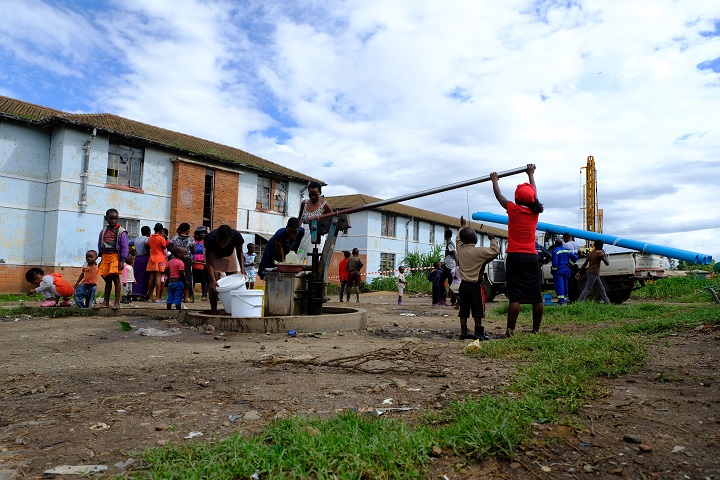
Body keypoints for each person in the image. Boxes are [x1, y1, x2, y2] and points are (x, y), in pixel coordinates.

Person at [490, 164, 544, 337]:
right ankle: (535, 330)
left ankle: (510, 331)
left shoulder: (513, 210)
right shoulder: (535, 213)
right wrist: (531, 175)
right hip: (531, 257)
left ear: (517, 198)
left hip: (514, 256)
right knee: (536, 296)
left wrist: (494, 181)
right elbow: (533, 193)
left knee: (515, 297)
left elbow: (499, 197)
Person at [456, 216, 501, 340]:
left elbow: (458, 239)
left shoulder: (460, 249)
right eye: (475, 234)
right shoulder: (479, 252)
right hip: (475, 286)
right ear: (474, 239)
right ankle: (479, 333)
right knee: (478, 309)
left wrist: (462, 226)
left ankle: (463, 332)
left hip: (463, 285)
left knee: (464, 309)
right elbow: (495, 250)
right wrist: (492, 239)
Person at [205, 225, 246, 314]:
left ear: (230, 238)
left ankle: (234, 309)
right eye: (220, 241)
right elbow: (209, 263)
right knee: (213, 284)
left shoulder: (237, 237)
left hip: (229, 254)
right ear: (217, 237)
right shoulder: (211, 239)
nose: (222, 245)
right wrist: (213, 280)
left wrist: (242, 269)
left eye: (225, 242)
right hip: (214, 255)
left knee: (235, 280)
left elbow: (239, 252)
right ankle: (214, 311)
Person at [95, 208, 129, 310]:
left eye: (116, 219)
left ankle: (117, 303)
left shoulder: (121, 231)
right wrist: (101, 257)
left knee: (116, 279)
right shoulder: (104, 231)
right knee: (108, 280)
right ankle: (105, 302)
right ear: (106, 219)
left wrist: (122, 260)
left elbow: (124, 246)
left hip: (115, 257)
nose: (113, 221)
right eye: (111, 219)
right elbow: (100, 243)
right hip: (106, 256)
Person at [297, 181, 332, 266]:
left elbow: (330, 221)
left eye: (315, 195)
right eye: (310, 194)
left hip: (318, 236)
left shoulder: (325, 205)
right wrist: (297, 230)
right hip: (304, 236)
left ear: (320, 193)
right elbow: (300, 218)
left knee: (315, 261)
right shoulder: (304, 203)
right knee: (301, 258)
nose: (313, 197)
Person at [576, 239, 611, 304]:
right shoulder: (600, 253)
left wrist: (579, 272)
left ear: (594, 245)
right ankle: (579, 302)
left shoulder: (591, 253)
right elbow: (607, 263)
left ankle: (608, 303)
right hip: (594, 273)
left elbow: (585, 264)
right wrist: (605, 255)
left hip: (591, 272)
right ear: (601, 246)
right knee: (587, 288)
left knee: (601, 288)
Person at [170, 223, 196, 302]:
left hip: (175, 260)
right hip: (186, 259)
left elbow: (171, 248)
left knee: (176, 277)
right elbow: (193, 250)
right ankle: (186, 297)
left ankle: (176, 296)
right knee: (187, 278)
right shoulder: (190, 239)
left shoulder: (174, 238)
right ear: (187, 230)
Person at [146, 223, 168, 303]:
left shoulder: (150, 238)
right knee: (158, 277)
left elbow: (149, 248)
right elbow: (164, 250)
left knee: (151, 277)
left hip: (152, 259)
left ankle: (150, 297)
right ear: (161, 230)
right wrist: (166, 256)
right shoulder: (161, 238)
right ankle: (158, 298)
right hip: (160, 258)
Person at [551, 239, 577, 305]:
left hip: (559, 271)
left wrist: (553, 270)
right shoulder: (567, 250)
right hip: (567, 270)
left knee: (559, 285)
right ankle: (565, 298)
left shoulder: (555, 251)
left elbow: (554, 264)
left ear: (555, 244)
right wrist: (570, 263)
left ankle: (561, 300)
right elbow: (575, 257)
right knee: (565, 285)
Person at [563, 233, 582, 301]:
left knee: (570, 282)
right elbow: (580, 254)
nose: (563, 239)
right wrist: (576, 260)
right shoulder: (576, 244)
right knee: (575, 282)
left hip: (569, 265)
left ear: (566, 237)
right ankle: (577, 297)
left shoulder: (566, 244)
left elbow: (565, 255)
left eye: (563, 238)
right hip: (575, 265)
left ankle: (572, 298)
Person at [441, 229, 458, 306]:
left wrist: (457, 263)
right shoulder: (450, 243)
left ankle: (443, 297)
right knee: (451, 282)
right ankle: (453, 300)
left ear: (446, 235)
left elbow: (454, 253)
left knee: (441, 281)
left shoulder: (450, 243)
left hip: (449, 265)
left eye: (444, 234)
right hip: (449, 264)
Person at [192, 226, 208, 301]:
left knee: (204, 280)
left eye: (204, 232)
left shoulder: (206, 241)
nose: (203, 234)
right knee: (193, 279)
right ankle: (191, 294)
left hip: (203, 262)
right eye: (202, 233)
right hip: (194, 262)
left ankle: (204, 295)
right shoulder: (193, 241)